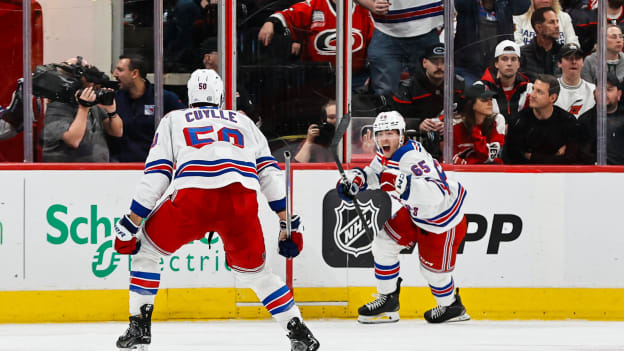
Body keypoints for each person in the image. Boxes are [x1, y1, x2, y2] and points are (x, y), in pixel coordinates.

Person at [113, 69, 319, 350]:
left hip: (193, 199)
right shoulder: (244, 122)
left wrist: (130, 224)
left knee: (145, 252)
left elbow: (157, 175)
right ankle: (298, 331)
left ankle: (138, 330)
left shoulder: (173, 119)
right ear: (221, 97)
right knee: (258, 275)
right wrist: (288, 223)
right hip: (240, 201)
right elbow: (269, 175)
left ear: (189, 96)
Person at [336, 111, 470, 324]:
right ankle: (388, 301)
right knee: (383, 243)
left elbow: (437, 194)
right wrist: (356, 180)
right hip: (415, 212)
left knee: (432, 273)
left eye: (390, 133)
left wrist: (404, 185)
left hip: (441, 220)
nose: (384, 139)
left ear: (401, 135)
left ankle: (451, 306)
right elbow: (375, 172)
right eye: (380, 134)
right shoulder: (387, 153)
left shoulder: (412, 158)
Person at [257, 0, 374, 89]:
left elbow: (374, 46)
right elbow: (288, 15)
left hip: (356, 79)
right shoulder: (313, 5)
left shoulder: (364, 9)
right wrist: (271, 22)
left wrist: (372, 76)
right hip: (317, 80)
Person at [40, 57, 123, 162]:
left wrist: (112, 112)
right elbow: (73, 140)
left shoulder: (94, 105)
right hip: (68, 173)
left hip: (97, 172)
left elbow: (117, 132)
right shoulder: (57, 107)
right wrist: (83, 108)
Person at [391, 43, 465, 160]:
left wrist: (451, 125)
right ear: (424, 63)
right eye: (435, 61)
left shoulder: (459, 84)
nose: (440, 66)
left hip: (448, 142)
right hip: (414, 142)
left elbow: (466, 115)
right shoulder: (408, 87)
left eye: (443, 61)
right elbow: (396, 119)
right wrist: (418, 125)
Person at [355, 0, 443, 95]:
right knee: (385, 93)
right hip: (386, 31)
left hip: (427, 28)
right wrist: (371, 5)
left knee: (428, 91)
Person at [109, 54, 185, 162]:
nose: (115, 74)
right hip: (121, 168)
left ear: (134, 73)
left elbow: (183, 127)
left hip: (155, 167)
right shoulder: (114, 99)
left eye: (120, 70)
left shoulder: (164, 98)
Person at [504, 74, 582, 164]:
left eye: (539, 92)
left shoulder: (568, 122)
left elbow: (572, 159)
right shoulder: (517, 121)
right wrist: (554, 157)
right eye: (533, 89)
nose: (532, 95)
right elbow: (513, 159)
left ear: (552, 98)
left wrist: (532, 157)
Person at [454, 0, 531, 86]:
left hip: (498, 69)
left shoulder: (504, 4)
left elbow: (522, 7)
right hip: (467, 68)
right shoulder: (468, 4)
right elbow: (459, 4)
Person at [479, 40, 533, 127]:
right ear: (496, 63)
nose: (509, 63)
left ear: (518, 64)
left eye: (513, 59)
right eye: (504, 59)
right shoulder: (481, 88)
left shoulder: (529, 89)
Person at [452, 83, 506, 164]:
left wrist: (476, 132)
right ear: (471, 104)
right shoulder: (456, 125)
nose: (490, 103)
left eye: (491, 99)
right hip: (463, 174)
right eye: (484, 100)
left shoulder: (497, 120)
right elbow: (452, 159)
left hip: (491, 172)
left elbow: (490, 156)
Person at [578, 72, 624, 164]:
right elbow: (581, 156)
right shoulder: (585, 120)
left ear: (619, 94)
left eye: (609, 90)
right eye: (600, 90)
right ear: (594, 93)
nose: (604, 94)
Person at [520, 7, 564, 81]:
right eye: (551, 22)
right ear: (538, 27)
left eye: (557, 22)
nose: (557, 26)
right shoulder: (523, 54)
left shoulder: (563, 53)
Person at [554, 43, 595, 118]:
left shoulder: (593, 90)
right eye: (568, 58)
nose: (574, 62)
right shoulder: (551, 89)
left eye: (578, 58)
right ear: (559, 63)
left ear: (583, 62)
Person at [513, 0, 579, 47]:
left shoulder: (564, 17)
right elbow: (516, 42)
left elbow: (572, 40)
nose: (545, 1)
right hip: (526, 61)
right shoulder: (519, 16)